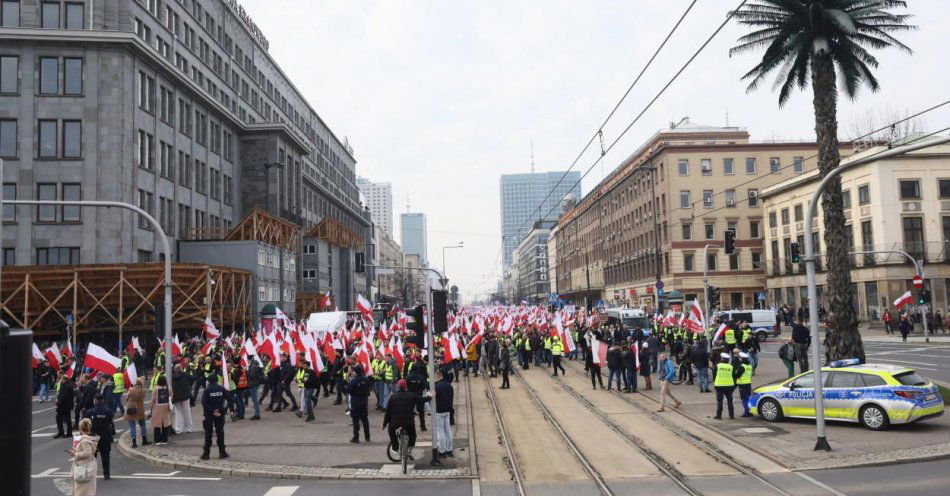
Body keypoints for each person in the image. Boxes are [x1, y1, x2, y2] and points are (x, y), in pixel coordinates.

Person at [382, 379, 429, 461]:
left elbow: (387, 412)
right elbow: (421, 399)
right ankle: (409, 451)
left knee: (391, 432)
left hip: (395, 422)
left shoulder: (393, 397)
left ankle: (395, 447)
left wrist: (384, 424)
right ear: (406, 387)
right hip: (408, 422)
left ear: (398, 387)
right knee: (413, 436)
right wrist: (430, 397)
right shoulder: (411, 395)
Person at [200, 374, 232, 460]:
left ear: (209, 381)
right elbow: (230, 399)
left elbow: (204, 403)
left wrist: (212, 411)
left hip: (209, 414)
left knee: (208, 434)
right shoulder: (221, 388)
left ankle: (206, 454)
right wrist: (224, 410)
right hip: (220, 413)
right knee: (220, 433)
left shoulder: (207, 390)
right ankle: (222, 452)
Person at [86, 394, 114, 480]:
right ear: (103, 401)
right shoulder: (108, 411)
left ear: (95, 401)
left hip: (93, 437)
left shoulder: (90, 412)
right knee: (105, 455)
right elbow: (111, 423)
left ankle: (92, 474)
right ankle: (106, 474)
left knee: (92, 456)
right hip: (105, 436)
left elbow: (84, 423)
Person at [70, 418, 99, 496]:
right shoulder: (91, 438)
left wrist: (76, 454)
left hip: (83, 466)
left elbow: (87, 453)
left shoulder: (85, 439)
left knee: (81, 490)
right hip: (88, 465)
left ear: (80, 428)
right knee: (88, 490)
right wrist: (76, 450)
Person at [348, 364, 371, 443]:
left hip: (355, 402)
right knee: (365, 419)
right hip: (364, 401)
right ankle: (367, 436)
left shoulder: (353, 381)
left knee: (355, 420)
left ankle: (356, 437)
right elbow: (369, 388)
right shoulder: (366, 379)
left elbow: (349, 390)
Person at [124, 377, 149, 447]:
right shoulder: (143, 390)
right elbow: (143, 397)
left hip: (131, 407)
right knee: (142, 424)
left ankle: (134, 442)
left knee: (132, 425)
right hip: (139, 407)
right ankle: (144, 440)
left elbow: (126, 398)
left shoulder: (131, 389)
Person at [712, 353, 738, 420]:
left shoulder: (717, 366)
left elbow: (714, 376)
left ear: (722, 359)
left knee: (720, 401)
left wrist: (716, 381)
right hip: (729, 386)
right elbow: (734, 377)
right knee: (730, 401)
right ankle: (731, 415)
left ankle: (719, 415)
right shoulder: (731, 367)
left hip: (719, 386)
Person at [434, 371, 454, 458]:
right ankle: (450, 450)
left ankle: (442, 451)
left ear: (437, 377)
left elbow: (433, 397)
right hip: (448, 410)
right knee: (448, 430)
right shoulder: (449, 385)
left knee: (440, 431)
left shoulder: (437, 387)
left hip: (439, 411)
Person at [171, 364, 193, 434]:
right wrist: (188, 387)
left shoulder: (172, 376)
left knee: (178, 413)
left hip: (176, 397)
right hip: (185, 396)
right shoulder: (186, 375)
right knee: (187, 412)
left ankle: (179, 428)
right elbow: (192, 379)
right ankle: (189, 428)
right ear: (181, 368)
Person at [150, 375, 172, 445]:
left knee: (157, 424)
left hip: (157, 407)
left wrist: (151, 406)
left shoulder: (155, 388)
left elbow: (153, 399)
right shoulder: (169, 388)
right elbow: (171, 397)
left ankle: (158, 440)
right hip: (166, 406)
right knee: (165, 423)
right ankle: (165, 440)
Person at [54, 374, 75, 438]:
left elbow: (64, 397)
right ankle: (62, 432)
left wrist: (57, 403)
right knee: (60, 418)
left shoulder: (67, 386)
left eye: (61, 379)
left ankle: (68, 433)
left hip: (65, 405)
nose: (61, 380)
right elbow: (61, 394)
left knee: (66, 419)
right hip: (63, 405)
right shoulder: (65, 385)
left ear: (64, 379)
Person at [736, 352, 754, 417]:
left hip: (742, 384)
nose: (739, 359)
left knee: (744, 399)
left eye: (740, 358)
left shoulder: (742, 367)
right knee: (749, 398)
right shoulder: (749, 366)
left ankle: (746, 412)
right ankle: (750, 411)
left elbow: (738, 375)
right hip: (748, 384)